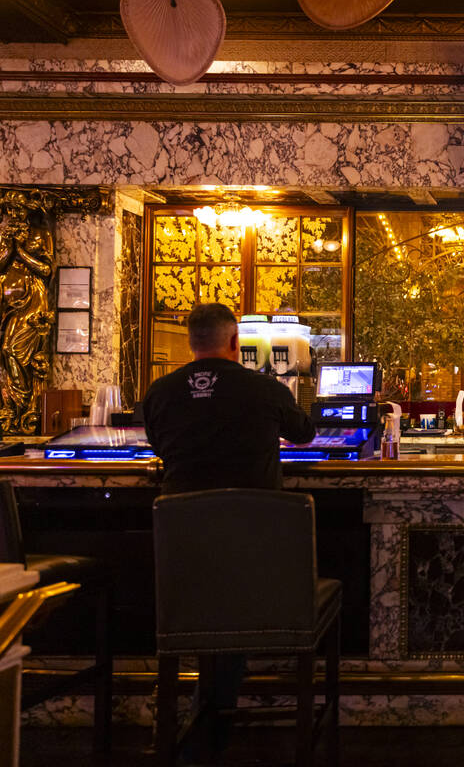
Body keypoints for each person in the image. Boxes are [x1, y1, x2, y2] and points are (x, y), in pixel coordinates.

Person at [142, 303, 315, 763]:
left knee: (209, 589)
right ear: (236, 342)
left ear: (189, 343)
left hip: (182, 552)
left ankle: (207, 709)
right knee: (236, 582)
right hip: (259, 550)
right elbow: (305, 435)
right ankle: (216, 708)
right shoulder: (264, 388)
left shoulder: (160, 391)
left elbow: (160, 446)